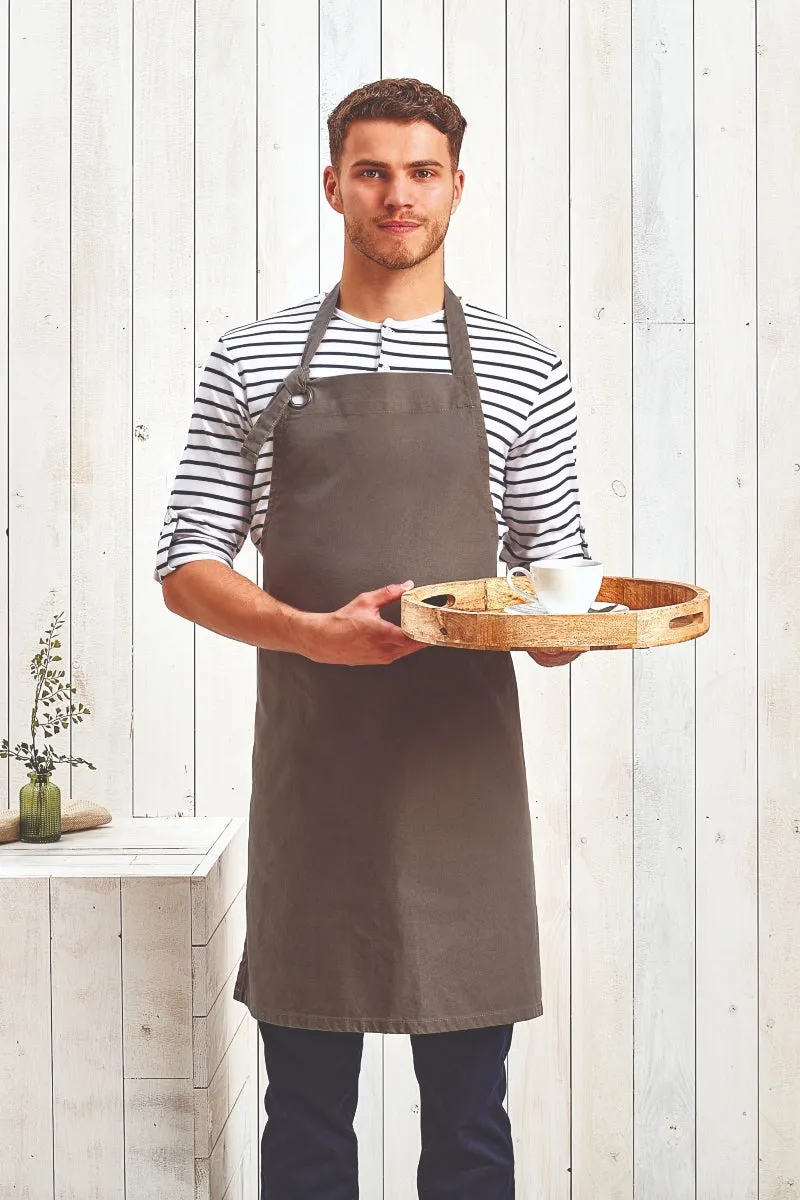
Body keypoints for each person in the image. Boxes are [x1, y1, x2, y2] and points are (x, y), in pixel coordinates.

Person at [155, 77, 591, 1200]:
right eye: (372, 171)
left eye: (420, 171)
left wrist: (561, 633)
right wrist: (311, 633)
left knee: (469, 1125)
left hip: (463, 787)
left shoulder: (521, 365)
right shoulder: (250, 361)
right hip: (317, 786)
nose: (397, 195)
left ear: (456, 186)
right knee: (304, 1123)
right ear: (332, 183)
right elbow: (187, 564)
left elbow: (559, 570)